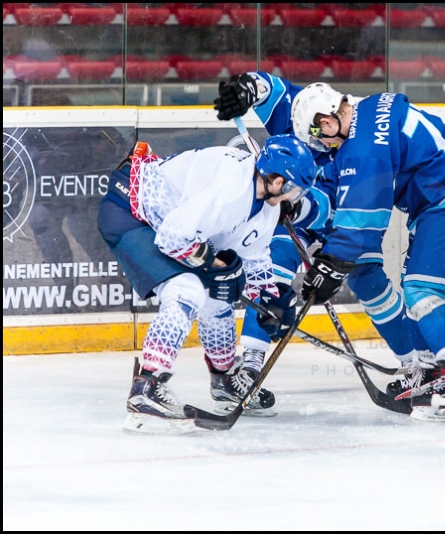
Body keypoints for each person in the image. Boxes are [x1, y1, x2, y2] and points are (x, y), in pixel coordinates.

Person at [290, 82, 445, 403]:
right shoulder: (367, 109)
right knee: (413, 284)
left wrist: (331, 264)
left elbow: (363, 216)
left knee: (422, 290)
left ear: (329, 122)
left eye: (321, 138)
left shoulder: (362, 148)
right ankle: (430, 370)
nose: (325, 146)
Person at [96, 134, 317, 434]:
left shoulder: (268, 206)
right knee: (186, 289)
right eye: (294, 188)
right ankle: (146, 388)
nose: (295, 197)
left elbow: (254, 257)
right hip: (130, 209)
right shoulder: (232, 189)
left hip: (169, 222)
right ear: (277, 181)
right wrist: (217, 265)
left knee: (219, 295)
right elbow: (172, 237)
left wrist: (270, 299)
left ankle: (224, 380)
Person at [214, 74, 425, 377]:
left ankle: (413, 364)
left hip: (344, 218)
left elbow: (343, 211)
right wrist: (246, 88)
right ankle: (250, 363)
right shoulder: (307, 110)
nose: (320, 143)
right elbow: (271, 89)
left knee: (368, 279)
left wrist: (300, 206)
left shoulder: (362, 147)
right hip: (291, 212)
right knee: (273, 266)